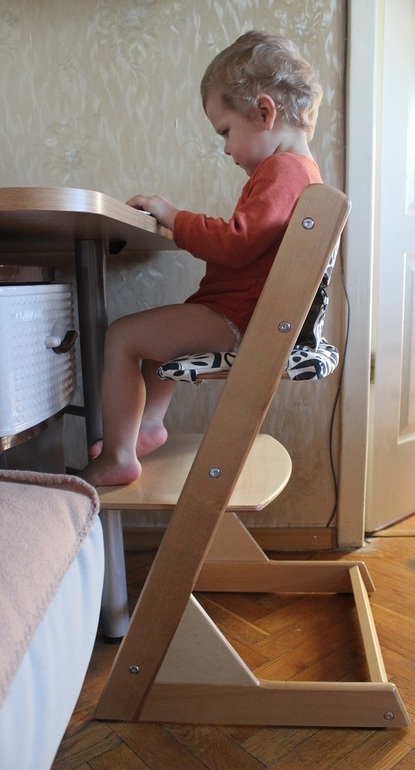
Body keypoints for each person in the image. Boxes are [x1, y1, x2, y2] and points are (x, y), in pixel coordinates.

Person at [81, 30, 323, 486]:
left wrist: (173, 215)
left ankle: (117, 454)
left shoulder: (284, 170)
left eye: (226, 132)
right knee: (157, 339)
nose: (227, 149)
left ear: (265, 112)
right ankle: (147, 426)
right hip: (244, 312)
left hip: (236, 317)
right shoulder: (301, 173)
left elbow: (236, 241)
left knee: (122, 337)